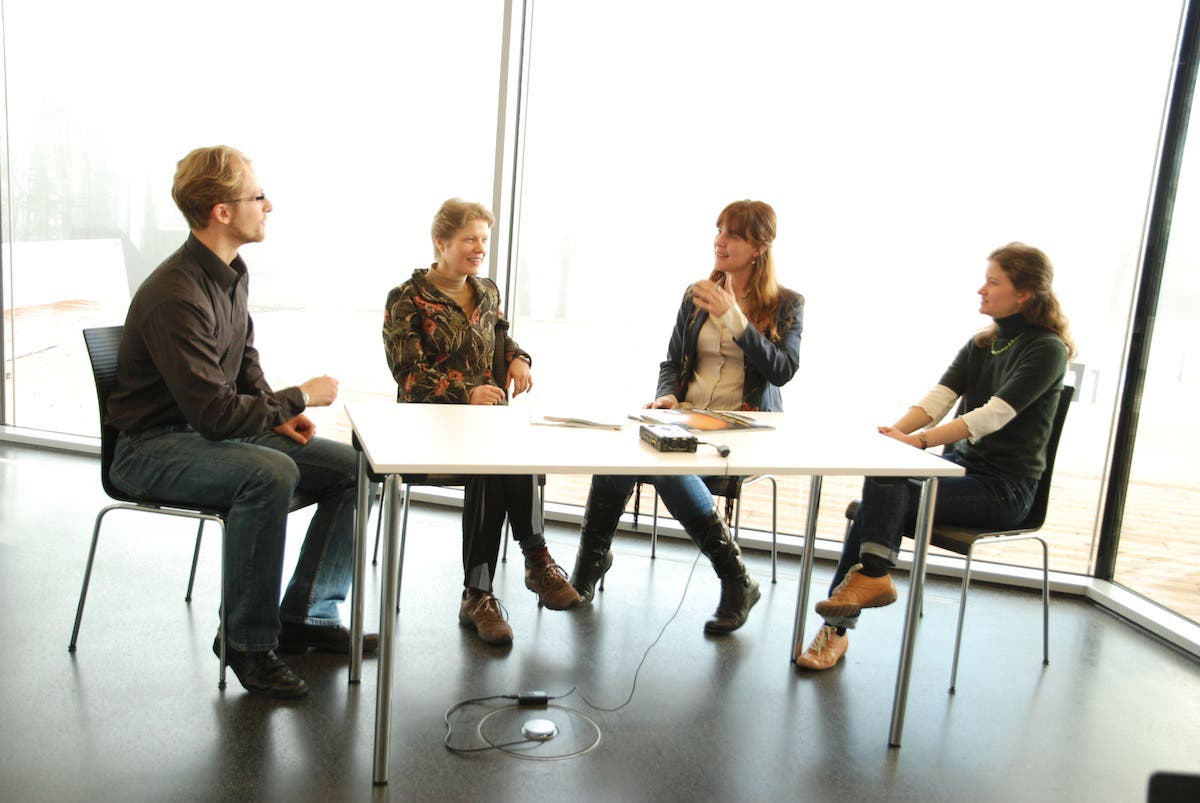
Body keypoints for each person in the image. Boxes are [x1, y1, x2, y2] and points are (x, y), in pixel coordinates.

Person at [106, 145, 376, 699]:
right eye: (258, 196)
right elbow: (215, 414)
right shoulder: (175, 295)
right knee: (268, 475)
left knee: (354, 467)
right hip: (152, 447)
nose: (269, 204)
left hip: (205, 435)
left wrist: (274, 417)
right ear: (222, 211)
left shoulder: (231, 273)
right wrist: (298, 398)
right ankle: (247, 643)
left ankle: (308, 614)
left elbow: (242, 363)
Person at [795, 242, 1074, 670]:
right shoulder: (984, 343)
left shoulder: (1047, 349)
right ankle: (870, 579)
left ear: (1024, 294)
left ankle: (843, 620)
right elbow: (938, 398)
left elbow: (993, 416)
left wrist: (919, 443)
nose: (982, 289)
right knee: (884, 474)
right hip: (958, 473)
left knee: (877, 502)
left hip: (1005, 490)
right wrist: (895, 435)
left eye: (993, 282)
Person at [569, 200, 804, 633]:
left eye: (733, 234)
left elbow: (782, 370)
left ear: (760, 246)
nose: (720, 241)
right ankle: (589, 567)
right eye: (719, 231)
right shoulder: (696, 296)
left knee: (665, 464)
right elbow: (672, 363)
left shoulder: (787, 303)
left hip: (746, 427)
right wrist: (668, 397)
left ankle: (736, 579)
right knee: (621, 452)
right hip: (690, 421)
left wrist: (736, 320)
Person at [382, 198, 579, 647]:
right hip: (427, 426)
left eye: (484, 240)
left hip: (484, 424)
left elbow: (502, 336)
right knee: (493, 457)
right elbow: (408, 375)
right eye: (469, 239)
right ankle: (528, 564)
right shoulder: (407, 298)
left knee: (506, 449)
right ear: (441, 242)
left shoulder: (487, 291)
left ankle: (484, 590)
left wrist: (518, 359)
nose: (479, 248)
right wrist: (465, 392)